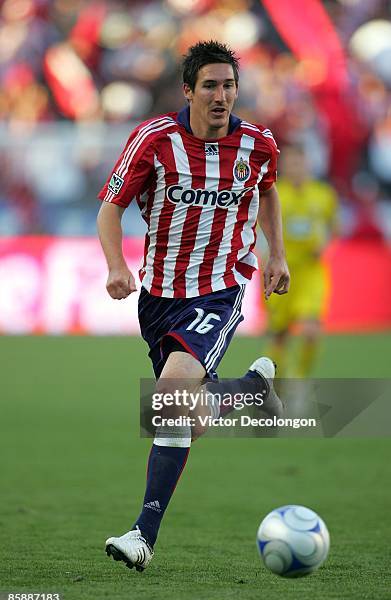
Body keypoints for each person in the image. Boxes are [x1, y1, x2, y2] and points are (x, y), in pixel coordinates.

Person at [97, 40, 290, 572]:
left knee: (172, 396)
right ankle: (251, 391)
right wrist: (116, 265)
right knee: (189, 415)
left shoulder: (258, 144)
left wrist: (276, 254)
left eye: (229, 84)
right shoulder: (153, 140)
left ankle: (142, 535)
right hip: (159, 297)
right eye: (210, 85)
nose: (221, 95)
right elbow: (110, 208)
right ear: (189, 90)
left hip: (219, 287)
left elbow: (268, 191)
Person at [264, 144, 338, 378]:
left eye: (300, 162)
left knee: (311, 331)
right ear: (284, 166)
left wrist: (324, 245)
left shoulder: (323, 195)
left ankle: (302, 380)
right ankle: (279, 384)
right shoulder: (275, 194)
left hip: (310, 273)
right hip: (280, 272)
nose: (296, 168)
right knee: (279, 335)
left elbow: (335, 228)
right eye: (291, 163)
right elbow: (258, 230)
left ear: (308, 164)